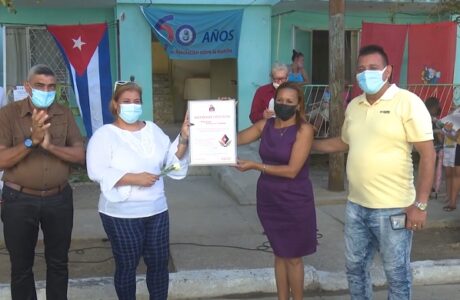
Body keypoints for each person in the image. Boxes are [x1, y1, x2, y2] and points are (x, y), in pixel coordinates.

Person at [313, 45, 435, 299]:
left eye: (372, 68)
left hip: (394, 209)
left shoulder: (408, 102)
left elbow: (428, 154)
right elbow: (344, 142)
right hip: (356, 206)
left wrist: (420, 205)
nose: (365, 74)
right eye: (360, 69)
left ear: (387, 71)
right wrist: (307, 144)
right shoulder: (355, 106)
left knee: (397, 275)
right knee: (355, 269)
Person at [86, 81, 190, 300]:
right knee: (127, 265)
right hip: (121, 213)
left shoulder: (152, 130)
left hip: (156, 210)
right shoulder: (105, 135)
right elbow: (96, 171)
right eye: (126, 102)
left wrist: (183, 138)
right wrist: (135, 178)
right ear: (115, 104)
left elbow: (170, 162)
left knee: (159, 264)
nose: (132, 106)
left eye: (136, 102)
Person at [0, 64, 85, 299]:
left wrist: (50, 146)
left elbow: (79, 155)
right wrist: (32, 141)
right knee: (21, 267)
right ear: (28, 87)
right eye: (39, 86)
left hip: (59, 199)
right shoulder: (8, 114)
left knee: (58, 263)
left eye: (50, 87)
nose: (45, 91)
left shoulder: (64, 113)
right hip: (18, 200)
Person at [236, 82, 316, 300]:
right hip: (269, 198)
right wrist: (223, 115)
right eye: (279, 101)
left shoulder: (304, 130)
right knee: (279, 254)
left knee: (293, 257)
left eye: (289, 102)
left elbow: (292, 171)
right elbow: (234, 139)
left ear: (299, 105)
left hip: (295, 200)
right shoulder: (265, 125)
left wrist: (255, 166)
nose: (283, 105)